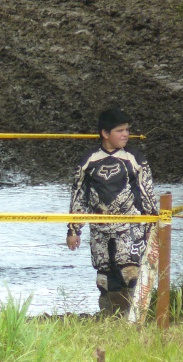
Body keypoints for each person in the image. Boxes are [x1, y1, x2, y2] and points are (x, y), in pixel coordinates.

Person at [66, 107, 158, 316]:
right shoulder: (88, 160)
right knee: (104, 275)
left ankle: (135, 316)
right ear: (105, 133)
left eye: (127, 130)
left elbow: (148, 193)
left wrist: (153, 226)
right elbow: (78, 195)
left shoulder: (135, 159)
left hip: (131, 226)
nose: (125, 134)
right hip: (99, 228)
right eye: (120, 131)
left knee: (131, 271)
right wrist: (73, 230)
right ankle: (109, 316)